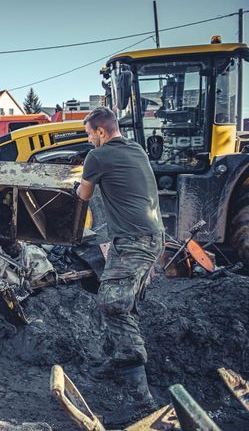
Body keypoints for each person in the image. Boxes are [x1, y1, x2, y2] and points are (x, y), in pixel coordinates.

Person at [75, 107, 164, 426]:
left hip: (134, 242)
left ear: (100, 131)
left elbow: (84, 194)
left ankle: (141, 398)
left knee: (113, 305)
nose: (89, 139)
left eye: (89, 133)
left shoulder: (96, 157)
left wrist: (76, 186)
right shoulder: (136, 148)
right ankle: (117, 361)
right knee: (126, 304)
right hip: (153, 237)